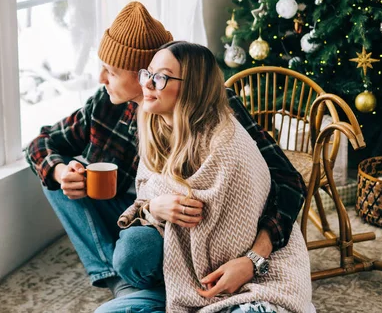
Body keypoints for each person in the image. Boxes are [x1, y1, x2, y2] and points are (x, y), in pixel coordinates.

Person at [26, 2, 306, 306]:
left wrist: (254, 258)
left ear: (144, 74)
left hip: (191, 230)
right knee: (59, 177)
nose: (100, 79)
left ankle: (162, 286)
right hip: (139, 214)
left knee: (137, 247)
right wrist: (59, 172)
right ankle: (123, 281)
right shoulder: (105, 105)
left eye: (111, 71)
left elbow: (288, 181)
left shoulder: (217, 110)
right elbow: (41, 144)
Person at [98, 42, 313, 313]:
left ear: (192, 87)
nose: (148, 84)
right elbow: (147, 187)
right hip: (184, 273)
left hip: (248, 271)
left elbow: (286, 184)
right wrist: (154, 206)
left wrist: (253, 259)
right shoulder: (153, 123)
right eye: (147, 73)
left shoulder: (226, 139)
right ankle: (166, 292)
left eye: (161, 77)